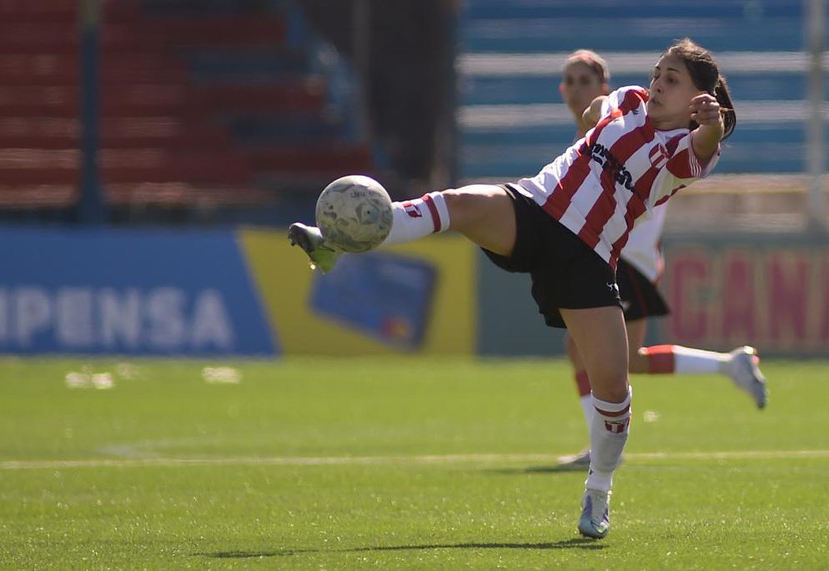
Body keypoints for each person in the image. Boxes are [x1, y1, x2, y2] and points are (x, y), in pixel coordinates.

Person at [289, 38, 736, 540]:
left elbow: (703, 145)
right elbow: (595, 112)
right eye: (658, 72)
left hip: (587, 256)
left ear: (697, 97)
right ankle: (336, 240)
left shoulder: (684, 150)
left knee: (612, 385)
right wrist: (592, 113)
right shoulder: (629, 98)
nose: (657, 83)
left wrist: (711, 124)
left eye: (671, 80)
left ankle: (598, 492)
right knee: (458, 203)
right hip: (535, 206)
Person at [555, 50, 768, 470]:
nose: (575, 89)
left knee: (615, 357)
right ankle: (728, 366)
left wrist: (711, 124)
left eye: (584, 81)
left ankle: (727, 367)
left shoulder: (642, 123)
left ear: (602, 86)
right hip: (616, 254)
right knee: (590, 350)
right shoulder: (609, 126)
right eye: (569, 81)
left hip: (626, 256)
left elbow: (699, 147)